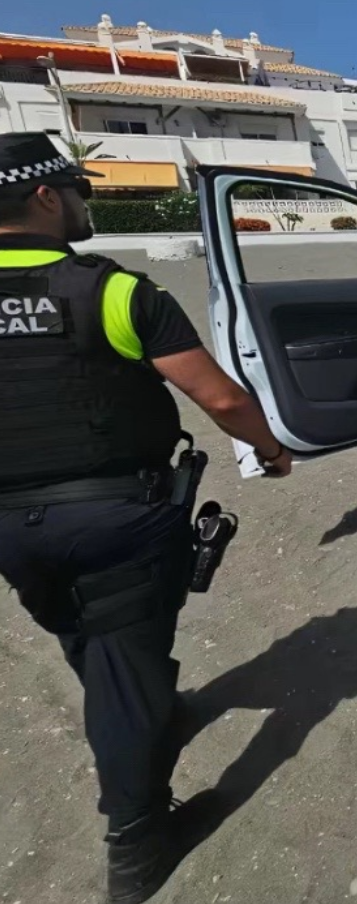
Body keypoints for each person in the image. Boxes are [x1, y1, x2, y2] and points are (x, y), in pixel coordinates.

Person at [0, 132, 292, 904]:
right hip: (115, 519)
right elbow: (221, 397)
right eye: (77, 189)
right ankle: (136, 842)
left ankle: (147, 717)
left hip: (12, 528)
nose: (84, 202)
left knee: (88, 640)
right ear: (42, 197)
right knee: (123, 672)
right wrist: (269, 448)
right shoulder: (114, 292)